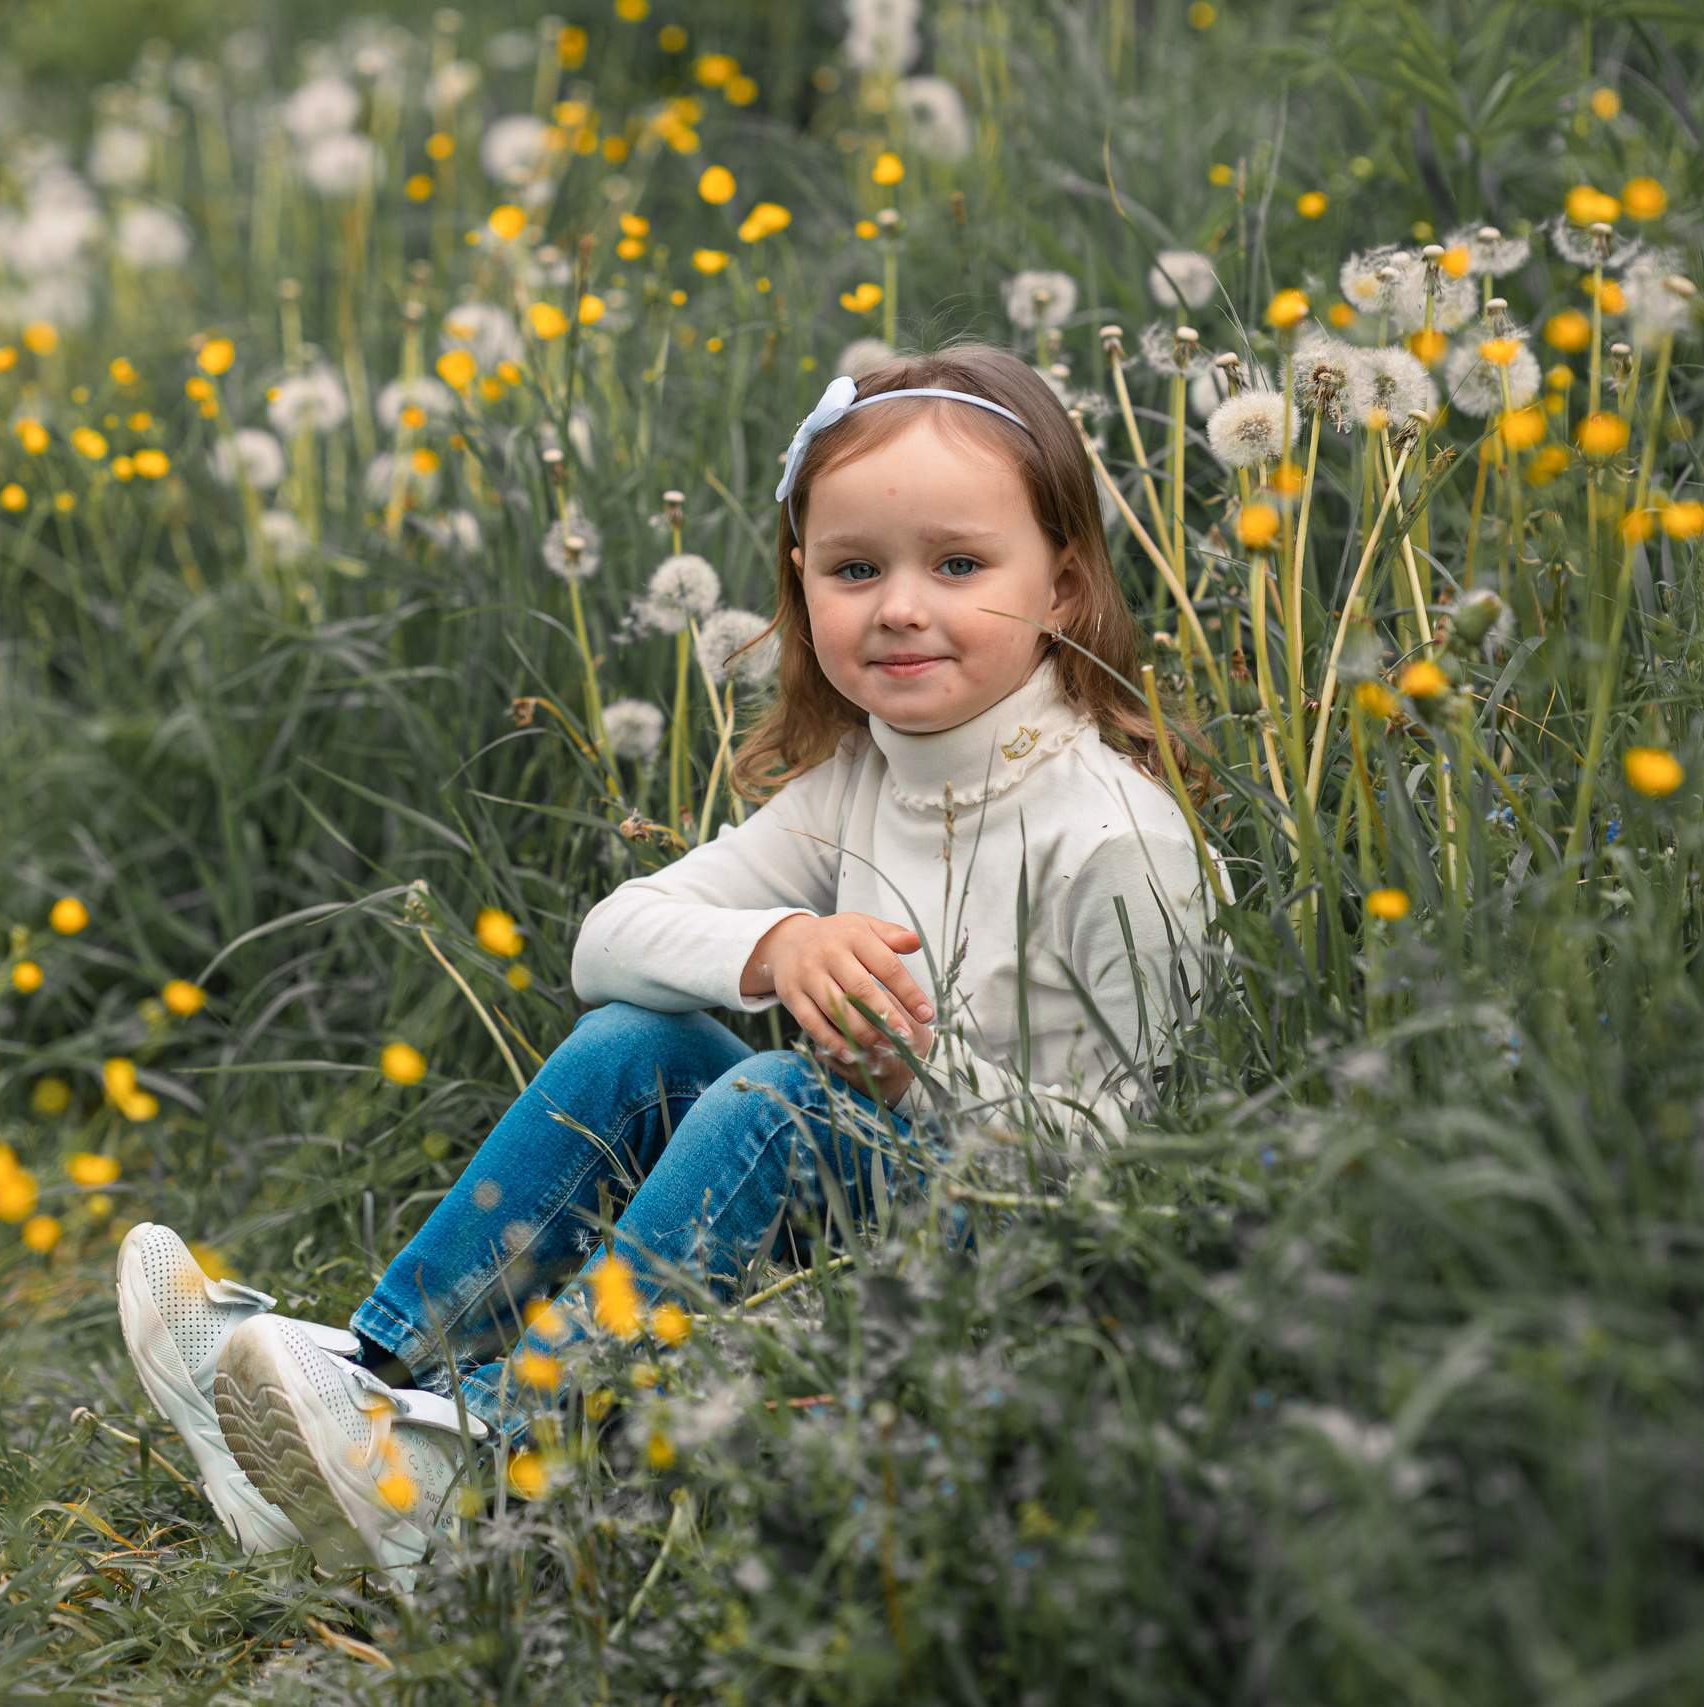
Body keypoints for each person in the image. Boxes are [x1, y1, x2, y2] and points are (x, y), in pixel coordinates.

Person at [117, 344, 1210, 1578]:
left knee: (780, 1100)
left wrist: (919, 1080)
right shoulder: (860, 780)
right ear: (801, 582)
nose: (899, 606)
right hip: (878, 1205)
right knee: (636, 1040)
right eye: (854, 569)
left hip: (1021, 1256)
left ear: (1061, 585)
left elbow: (1136, 1163)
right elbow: (609, 943)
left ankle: (488, 1463)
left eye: (957, 565)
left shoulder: (1110, 837)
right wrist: (777, 945)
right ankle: (360, 1387)